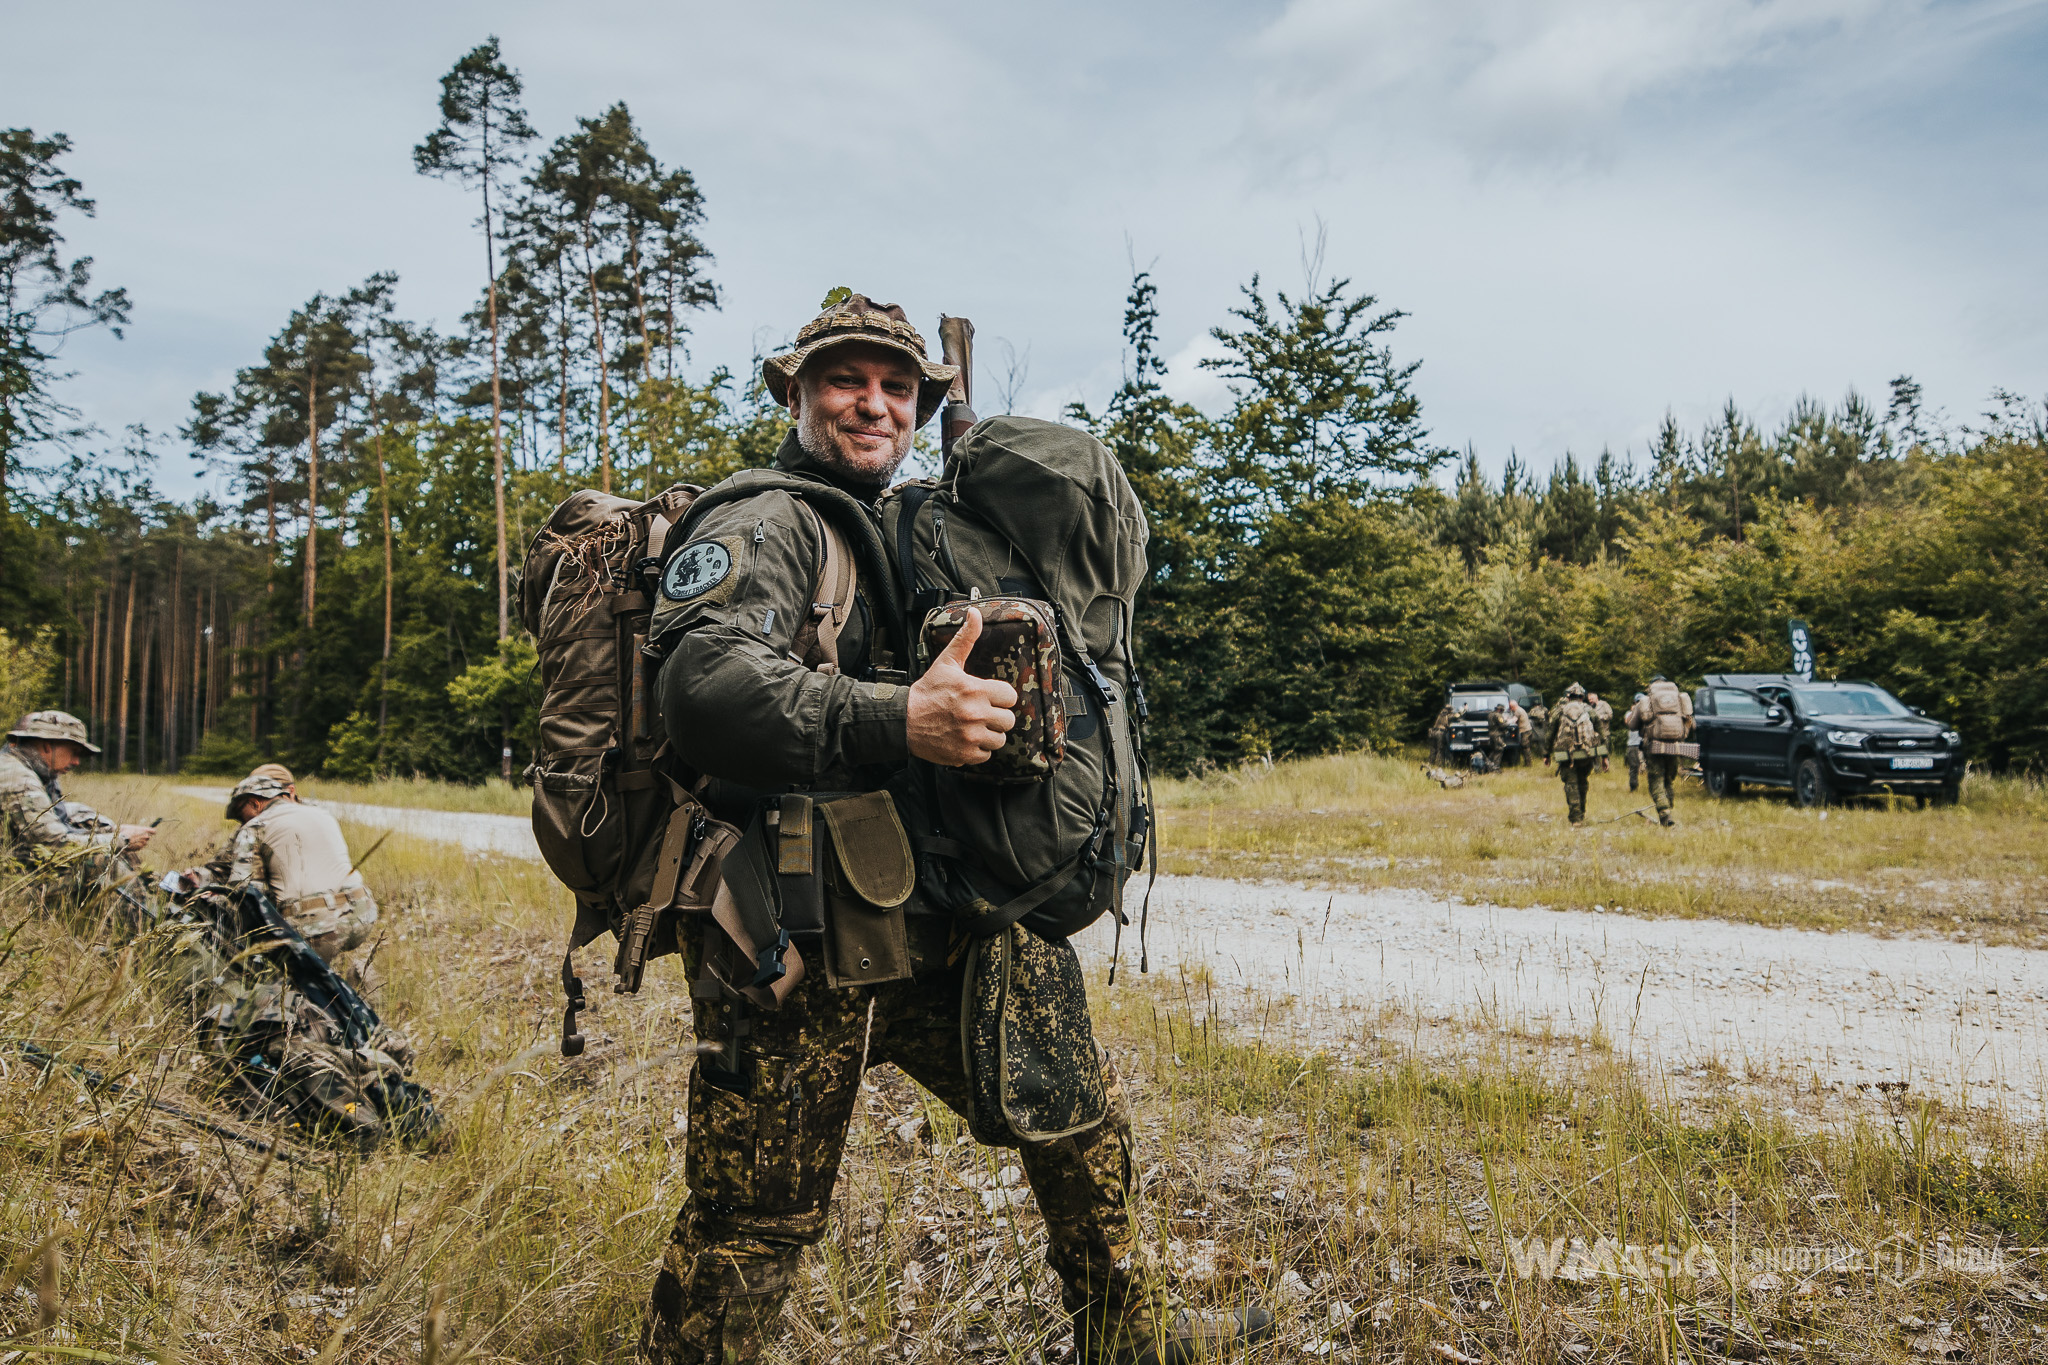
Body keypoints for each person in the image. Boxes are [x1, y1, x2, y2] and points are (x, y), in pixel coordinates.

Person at [640, 294, 1269, 1365]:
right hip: (793, 937)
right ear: (793, 392)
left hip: (932, 910)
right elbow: (703, 686)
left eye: (896, 387)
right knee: (757, 1217)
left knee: (1074, 1112)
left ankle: (1131, 1338)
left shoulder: (908, 526)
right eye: (845, 380)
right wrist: (903, 718)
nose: (872, 404)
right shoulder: (768, 519)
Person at [179, 770, 377, 967]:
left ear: (255, 803)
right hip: (363, 915)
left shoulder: (255, 827)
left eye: (241, 815)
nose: (242, 823)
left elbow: (246, 897)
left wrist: (211, 899)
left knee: (274, 980)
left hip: (318, 928)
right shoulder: (322, 814)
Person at [0, 711, 155, 884]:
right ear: (47, 745)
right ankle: (152, 908)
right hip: (9, 878)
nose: (76, 762)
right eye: (74, 752)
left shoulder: (31, 770)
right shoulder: (18, 778)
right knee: (101, 862)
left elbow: (59, 819)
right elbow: (56, 845)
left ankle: (158, 893)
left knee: (99, 836)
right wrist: (122, 840)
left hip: (14, 865)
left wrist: (111, 830)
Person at [1625, 675, 1695, 827]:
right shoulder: (1679, 699)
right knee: (1669, 778)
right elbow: (1691, 723)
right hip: (1675, 745)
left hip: (1653, 746)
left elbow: (1632, 725)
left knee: (1656, 778)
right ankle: (1669, 805)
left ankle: (1664, 812)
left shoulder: (1647, 700)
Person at [1544, 683, 1601, 825]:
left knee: (1571, 784)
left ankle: (1576, 818)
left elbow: (1550, 733)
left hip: (1565, 755)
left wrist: (1546, 753)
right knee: (1582, 782)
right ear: (1582, 697)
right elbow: (1602, 733)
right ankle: (1581, 813)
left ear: (1568, 697)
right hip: (1586, 754)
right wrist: (1604, 756)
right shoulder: (1589, 710)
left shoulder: (1559, 710)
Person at [1625, 692, 1647, 792]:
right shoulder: (1630, 713)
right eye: (1638, 702)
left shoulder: (1647, 713)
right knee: (1633, 767)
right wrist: (1635, 711)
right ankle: (1633, 787)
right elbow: (1627, 722)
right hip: (1633, 744)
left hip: (1645, 743)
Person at [1588, 692, 1614, 773]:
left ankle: (1606, 769)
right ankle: (1597, 771)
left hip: (1604, 733)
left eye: (1592, 699)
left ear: (1596, 698)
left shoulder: (1604, 704)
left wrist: (1600, 717)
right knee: (1594, 753)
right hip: (1594, 735)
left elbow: (1610, 715)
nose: (1591, 701)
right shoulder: (1589, 708)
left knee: (1605, 751)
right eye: (1589, 699)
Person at [1426, 702, 1454, 767]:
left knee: (1433, 749)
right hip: (1440, 733)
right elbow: (1456, 716)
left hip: (1433, 732)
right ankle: (1440, 765)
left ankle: (1430, 763)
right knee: (1440, 749)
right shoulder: (1448, 715)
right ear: (1449, 709)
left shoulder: (1440, 714)